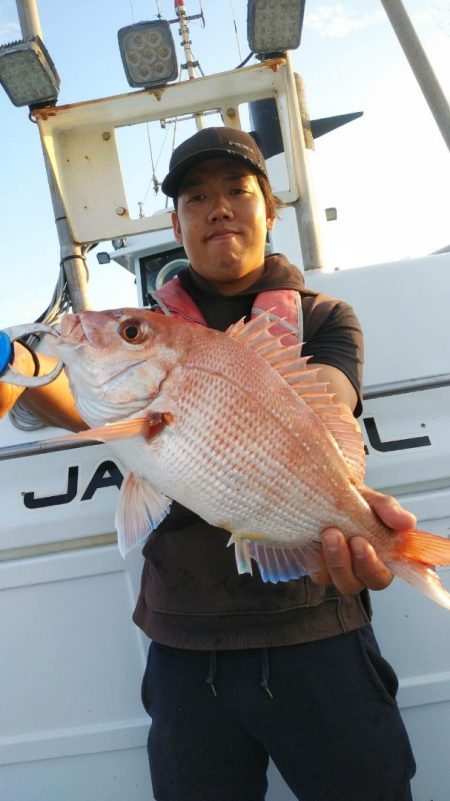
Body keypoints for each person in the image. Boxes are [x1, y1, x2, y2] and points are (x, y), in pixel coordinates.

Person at [0, 127, 416, 801]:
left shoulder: (326, 316)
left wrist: (352, 510)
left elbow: (328, 411)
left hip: (319, 629)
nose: (218, 207)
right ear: (177, 221)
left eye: (237, 190)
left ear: (269, 208)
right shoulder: (149, 332)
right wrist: (14, 365)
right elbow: (71, 404)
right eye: (197, 196)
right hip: (186, 651)